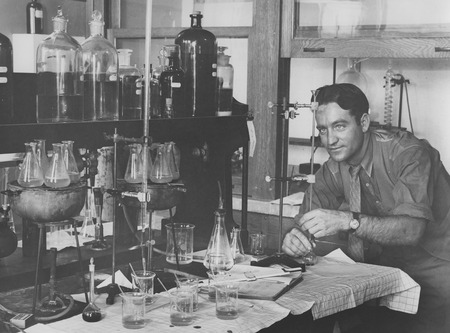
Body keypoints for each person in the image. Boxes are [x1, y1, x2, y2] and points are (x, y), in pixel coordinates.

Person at [282, 83, 450, 333]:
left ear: (363, 122)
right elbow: (305, 217)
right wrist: (294, 237)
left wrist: (346, 221)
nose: (330, 139)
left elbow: (411, 231)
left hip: (438, 267)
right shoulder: (334, 168)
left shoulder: (409, 154)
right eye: (323, 130)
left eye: (339, 126)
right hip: (387, 270)